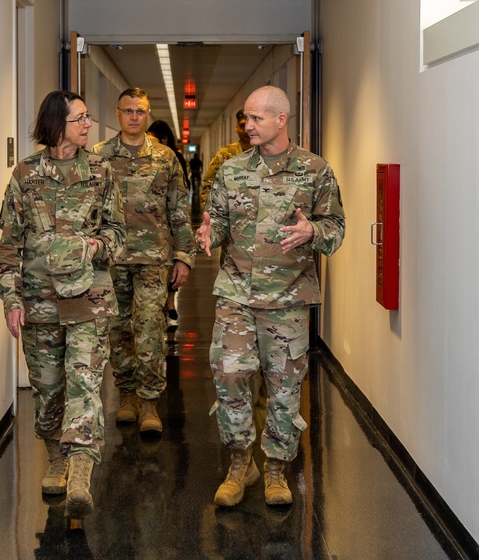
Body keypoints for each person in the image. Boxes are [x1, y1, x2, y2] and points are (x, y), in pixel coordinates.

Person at [195, 86, 345, 508]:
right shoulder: (232, 170)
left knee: (283, 387)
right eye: (245, 118)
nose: (248, 126)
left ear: (282, 119)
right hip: (237, 293)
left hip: (288, 297)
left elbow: (336, 226)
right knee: (230, 378)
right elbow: (219, 221)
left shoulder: (315, 171)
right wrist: (209, 233)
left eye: (256, 118)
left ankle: (277, 466)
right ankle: (240, 462)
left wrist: (312, 231)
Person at [0, 90, 126, 518]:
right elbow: (9, 245)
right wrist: (11, 299)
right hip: (40, 299)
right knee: (48, 387)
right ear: (57, 124)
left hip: (89, 297)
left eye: (89, 118)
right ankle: (56, 456)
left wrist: (95, 244)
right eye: (81, 119)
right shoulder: (26, 174)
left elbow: (118, 236)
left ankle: (80, 475)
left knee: (85, 383)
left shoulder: (103, 171)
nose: (89, 125)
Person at [93, 88, 195, 436]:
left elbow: (179, 210)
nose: (134, 116)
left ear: (147, 115)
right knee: (118, 330)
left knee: (150, 327)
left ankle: (150, 401)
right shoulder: (98, 155)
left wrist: (184, 256)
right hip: (111, 259)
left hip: (154, 258)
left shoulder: (165, 157)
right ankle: (126, 395)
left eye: (140, 111)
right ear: (117, 114)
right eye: (128, 110)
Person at [145, 118, 188, 331]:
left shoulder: (172, 157)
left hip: (161, 228)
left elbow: (180, 195)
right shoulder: (174, 156)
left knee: (168, 270)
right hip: (163, 229)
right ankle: (169, 305)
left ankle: (168, 306)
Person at [198, 109, 251, 212]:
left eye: (248, 125)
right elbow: (209, 186)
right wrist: (209, 215)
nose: (245, 130)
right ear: (236, 128)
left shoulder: (266, 153)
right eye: (242, 126)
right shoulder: (225, 154)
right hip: (231, 217)